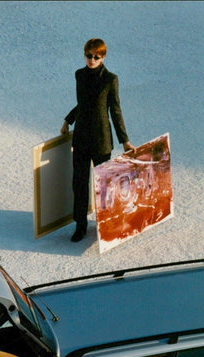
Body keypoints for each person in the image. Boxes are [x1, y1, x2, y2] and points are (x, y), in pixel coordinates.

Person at [61, 38, 135, 242]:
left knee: (104, 184)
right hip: (81, 137)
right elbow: (82, 103)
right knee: (79, 183)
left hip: (101, 139)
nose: (92, 60)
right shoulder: (79, 75)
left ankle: (106, 223)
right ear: (84, 54)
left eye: (96, 56)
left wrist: (124, 140)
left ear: (103, 58)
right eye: (89, 55)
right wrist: (68, 120)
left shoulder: (110, 79)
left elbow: (115, 110)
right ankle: (80, 225)